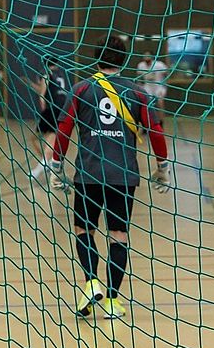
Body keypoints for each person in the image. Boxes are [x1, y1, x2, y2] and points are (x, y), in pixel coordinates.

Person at [51, 36, 172, 319]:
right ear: (124, 59)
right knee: (118, 236)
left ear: (97, 58)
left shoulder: (81, 88)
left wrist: (56, 165)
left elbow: (64, 128)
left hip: (88, 174)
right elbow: (155, 130)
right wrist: (162, 167)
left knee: (84, 230)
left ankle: (91, 282)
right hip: (124, 175)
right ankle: (113, 302)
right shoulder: (139, 92)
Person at [29, 56, 70, 179]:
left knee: (47, 139)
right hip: (63, 108)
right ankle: (47, 162)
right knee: (41, 138)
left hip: (52, 109)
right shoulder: (61, 74)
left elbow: (43, 91)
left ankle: (42, 165)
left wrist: (42, 101)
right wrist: (31, 84)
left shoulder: (47, 74)